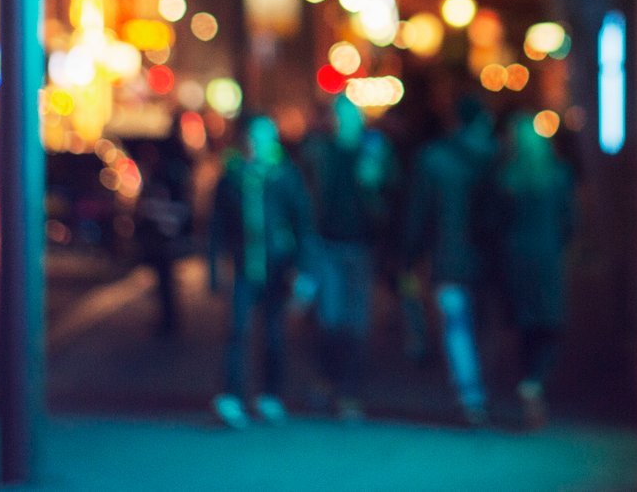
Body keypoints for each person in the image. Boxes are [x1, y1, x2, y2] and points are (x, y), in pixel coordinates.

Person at [206, 115, 316, 429]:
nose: (258, 144)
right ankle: (232, 396)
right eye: (254, 137)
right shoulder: (233, 176)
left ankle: (270, 395)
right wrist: (214, 270)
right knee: (237, 331)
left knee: (274, 334)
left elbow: (304, 223)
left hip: (277, 268)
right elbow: (216, 226)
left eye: (264, 137)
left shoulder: (286, 176)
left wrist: (304, 271)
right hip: (244, 266)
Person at [403, 96, 499, 426]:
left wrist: (410, 255)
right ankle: (482, 390)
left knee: (457, 326)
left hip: (449, 258)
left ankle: (471, 395)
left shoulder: (434, 160)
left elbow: (418, 213)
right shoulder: (495, 159)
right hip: (488, 260)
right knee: (480, 324)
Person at [301, 95, 393, 421]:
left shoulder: (373, 152)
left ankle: (349, 392)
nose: (343, 123)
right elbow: (307, 196)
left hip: (361, 248)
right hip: (327, 247)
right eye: (338, 117)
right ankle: (328, 381)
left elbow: (390, 201)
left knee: (356, 324)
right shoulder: (319, 151)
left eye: (349, 116)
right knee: (329, 319)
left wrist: (373, 182)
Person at [492, 112, 576, 429]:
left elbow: (493, 222)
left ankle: (529, 380)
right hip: (546, 256)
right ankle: (534, 381)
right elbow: (570, 221)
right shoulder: (558, 176)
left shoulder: (506, 179)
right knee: (551, 322)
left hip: (515, 258)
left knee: (526, 325)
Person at [133, 128, 194, 336]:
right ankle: (169, 320)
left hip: (163, 234)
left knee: (165, 280)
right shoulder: (176, 171)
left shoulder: (165, 173)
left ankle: (168, 321)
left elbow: (159, 204)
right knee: (165, 280)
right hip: (166, 233)